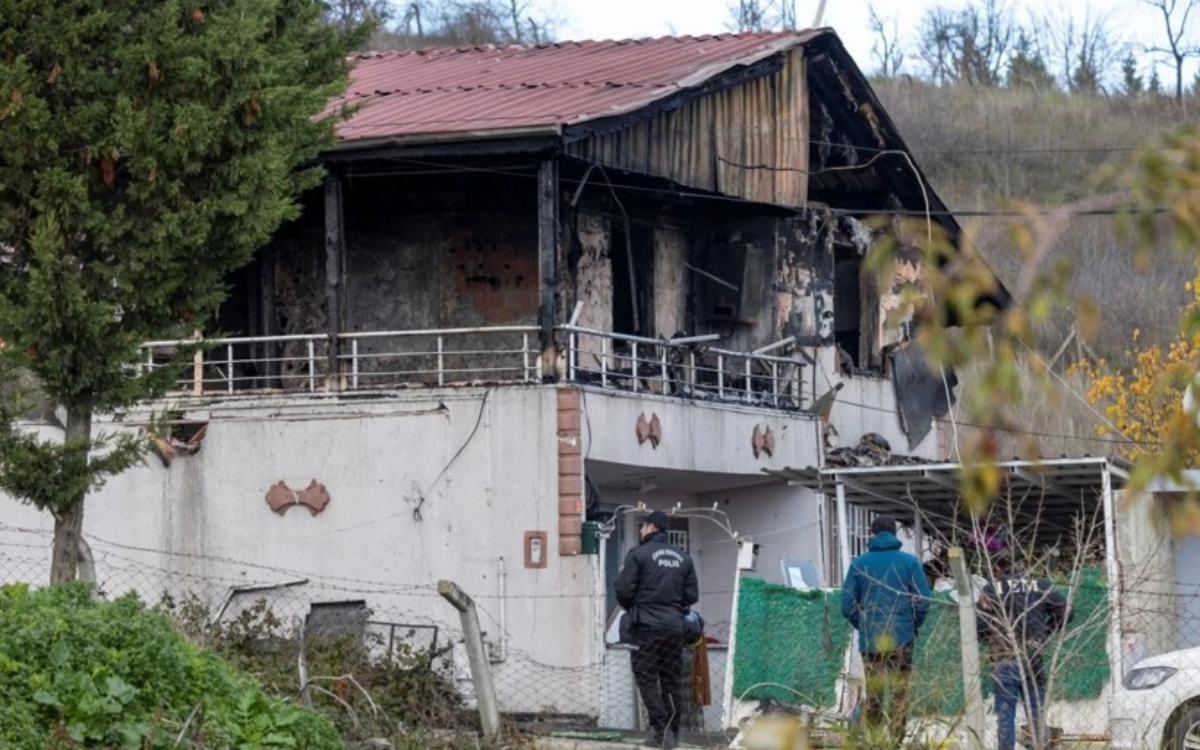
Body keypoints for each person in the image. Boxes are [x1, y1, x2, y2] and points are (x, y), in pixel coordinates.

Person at [840, 514, 931, 746]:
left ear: (872, 533)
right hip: (903, 638)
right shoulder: (909, 563)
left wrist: (864, 625)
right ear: (894, 534)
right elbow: (923, 601)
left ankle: (874, 742)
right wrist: (912, 626)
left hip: (871, 641)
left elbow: (846, 605)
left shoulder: (859, 564)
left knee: (874, 695)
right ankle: (896, 742)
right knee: (899, 694)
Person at [615, 510, 699, 749]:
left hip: (645, 627)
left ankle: (659, 728)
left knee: (646, 677)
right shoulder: (684, 557)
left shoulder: (637, 555)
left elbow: (623, 591)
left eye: (642, 526)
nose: (640, 530)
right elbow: (692, 595)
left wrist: (636, 605)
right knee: (671, 678)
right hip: (674, 627)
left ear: (651, 527)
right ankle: (672, 732)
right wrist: (671, 606)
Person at [976, 553, 1072, 750]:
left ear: (997, 568)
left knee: (1005, 715)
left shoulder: (992, 589)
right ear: (1024, 566)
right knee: (1037, 712)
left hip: (1004, 656)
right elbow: (1067, 610)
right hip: (1034, 657)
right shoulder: (1040, 586)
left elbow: (980, 625)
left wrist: (991, 641)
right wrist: (1046, 630)